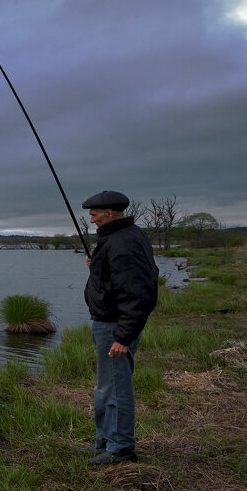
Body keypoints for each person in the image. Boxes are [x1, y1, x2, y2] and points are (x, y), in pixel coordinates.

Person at [81, 190, 158, 465]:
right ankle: (105, 442)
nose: (91, 220)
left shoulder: (122, 241)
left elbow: (139, 292)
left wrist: (124, 336)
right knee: (105, 387)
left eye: (94, 215)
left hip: (115, 328)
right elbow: (116, 278)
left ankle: (120, 449)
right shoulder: (117, 237)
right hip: (107, 323)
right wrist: (97, 263)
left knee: (116, 388)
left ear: (109, 214)